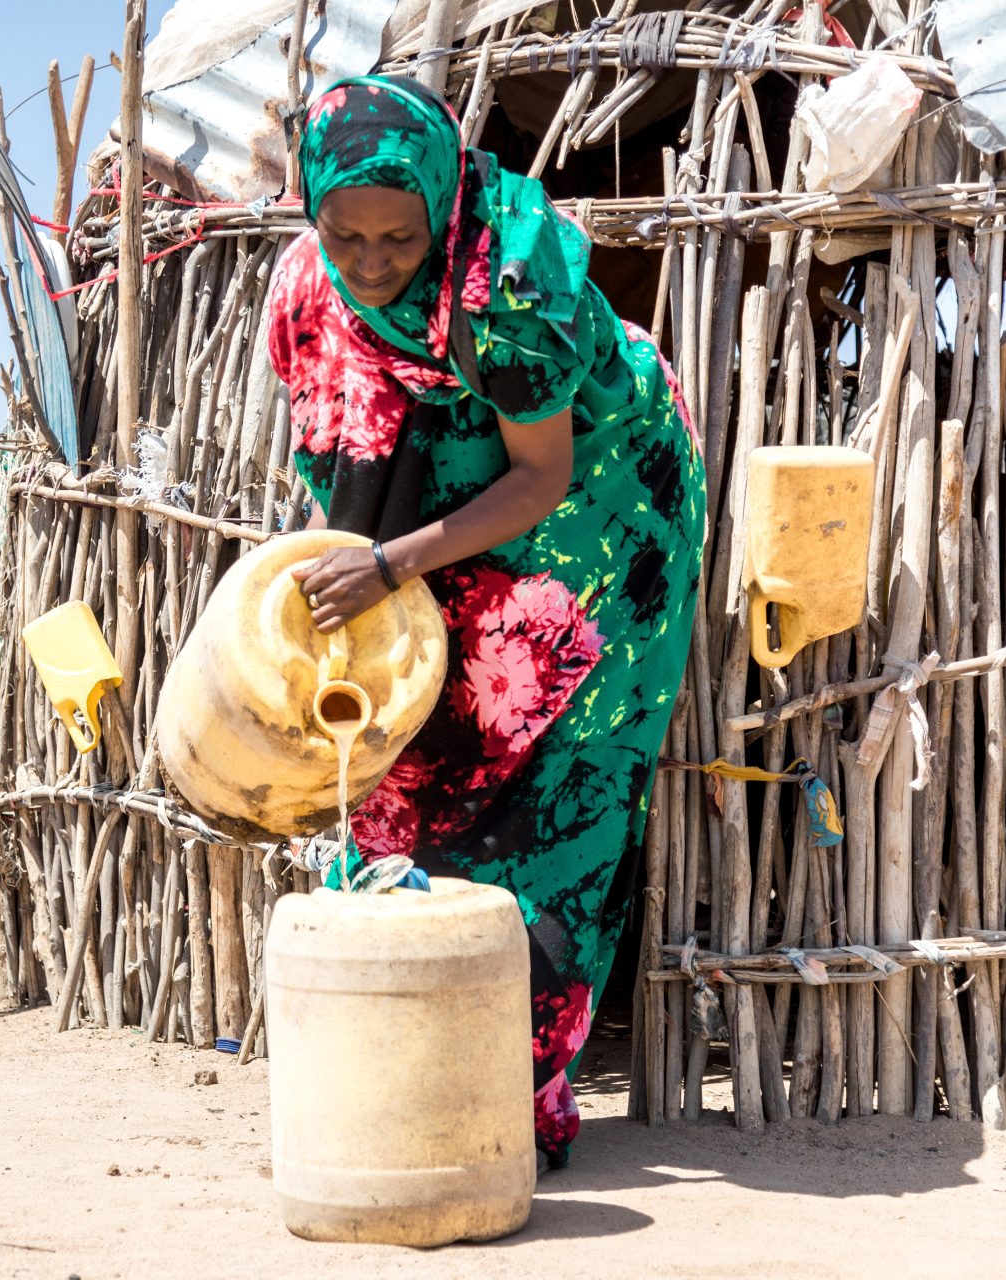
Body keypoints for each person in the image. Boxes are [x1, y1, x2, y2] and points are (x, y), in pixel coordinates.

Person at [268, 74, 705, 1167]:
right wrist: (359, 572)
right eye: (345, 234)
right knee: (404, 762)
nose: (371, 262)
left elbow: (540, 475)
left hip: (596, 519)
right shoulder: (311, 289)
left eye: (399, 237)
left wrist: (393, 562)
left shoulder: (508, 285)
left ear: (441, 204)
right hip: (440, 518)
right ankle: (388, 1078)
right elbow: (348, 452)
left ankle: (502, 1099)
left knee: (547, 799)